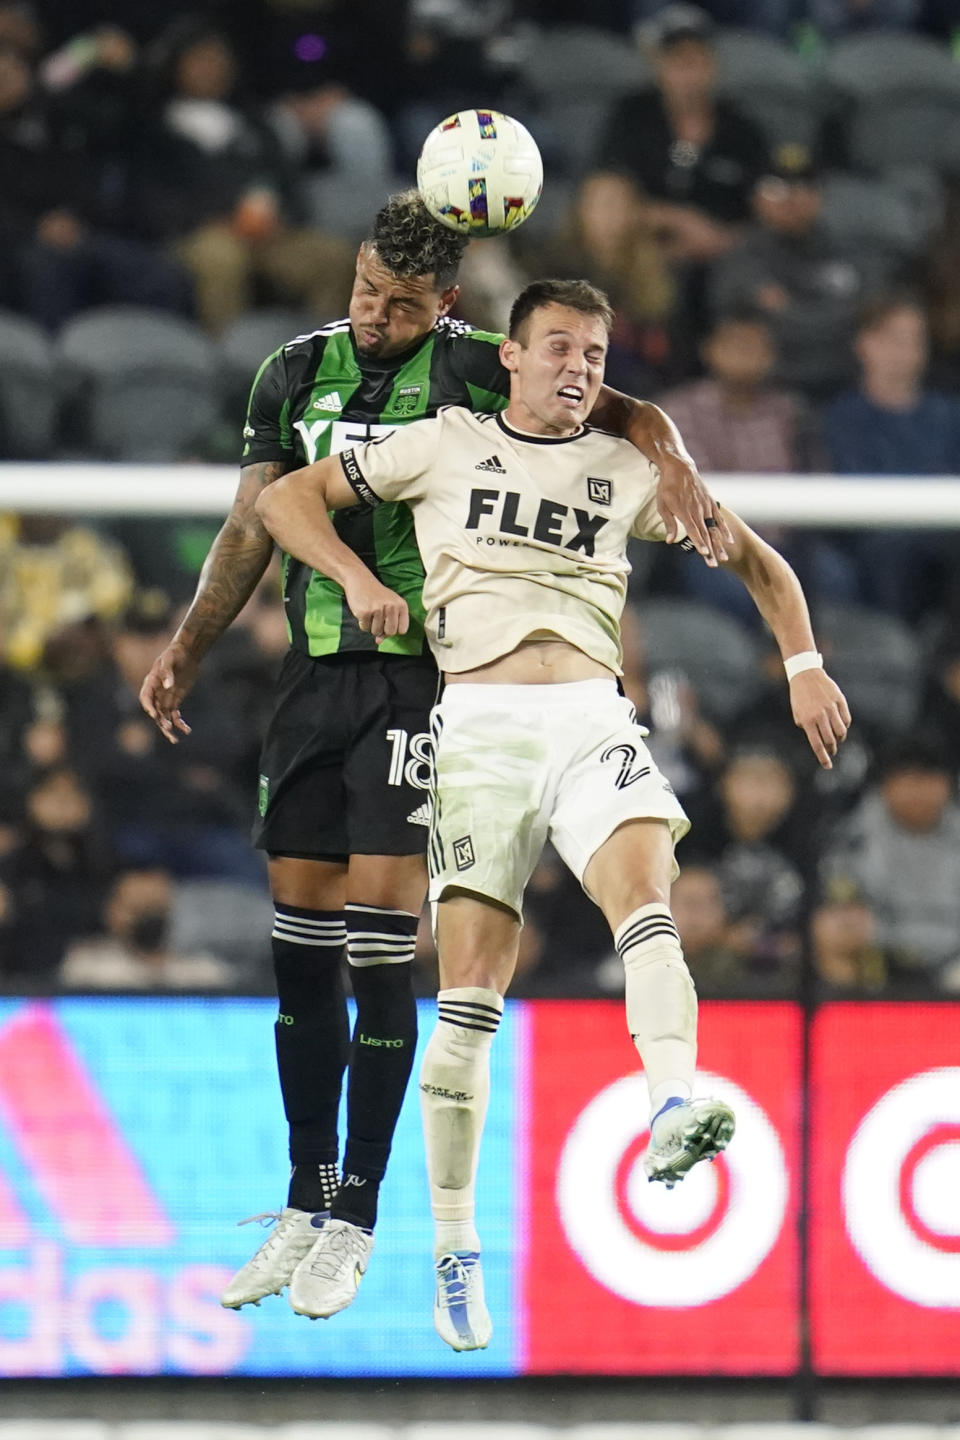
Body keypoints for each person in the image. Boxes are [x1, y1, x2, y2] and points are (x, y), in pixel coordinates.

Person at [139, 192, 731, 1320]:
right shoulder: (290, 371)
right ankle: (307, 1197)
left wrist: (676, 451)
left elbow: (624, 405)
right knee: (298, 947)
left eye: (402, 304)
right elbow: (251, 517)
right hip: (312, 673)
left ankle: (359, 1217)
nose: (374, 316)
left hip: (424, 678)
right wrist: (188, 643)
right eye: (366, 291)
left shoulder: (473, 369)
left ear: (446, 306)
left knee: (381, 942)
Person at [255, 276, 851, 1349]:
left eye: (596, 355)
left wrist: (803, 662)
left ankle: (675, 1101)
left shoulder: (629, 469)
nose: (580, 368)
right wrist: (351, 576)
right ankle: (453, 1247)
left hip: (588, 716)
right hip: (474, 726)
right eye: (561, 348)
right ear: (513, 358)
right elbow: (283, 499)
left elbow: (761, 563)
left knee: (648, 900)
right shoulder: (438, 443)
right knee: (470, 991)